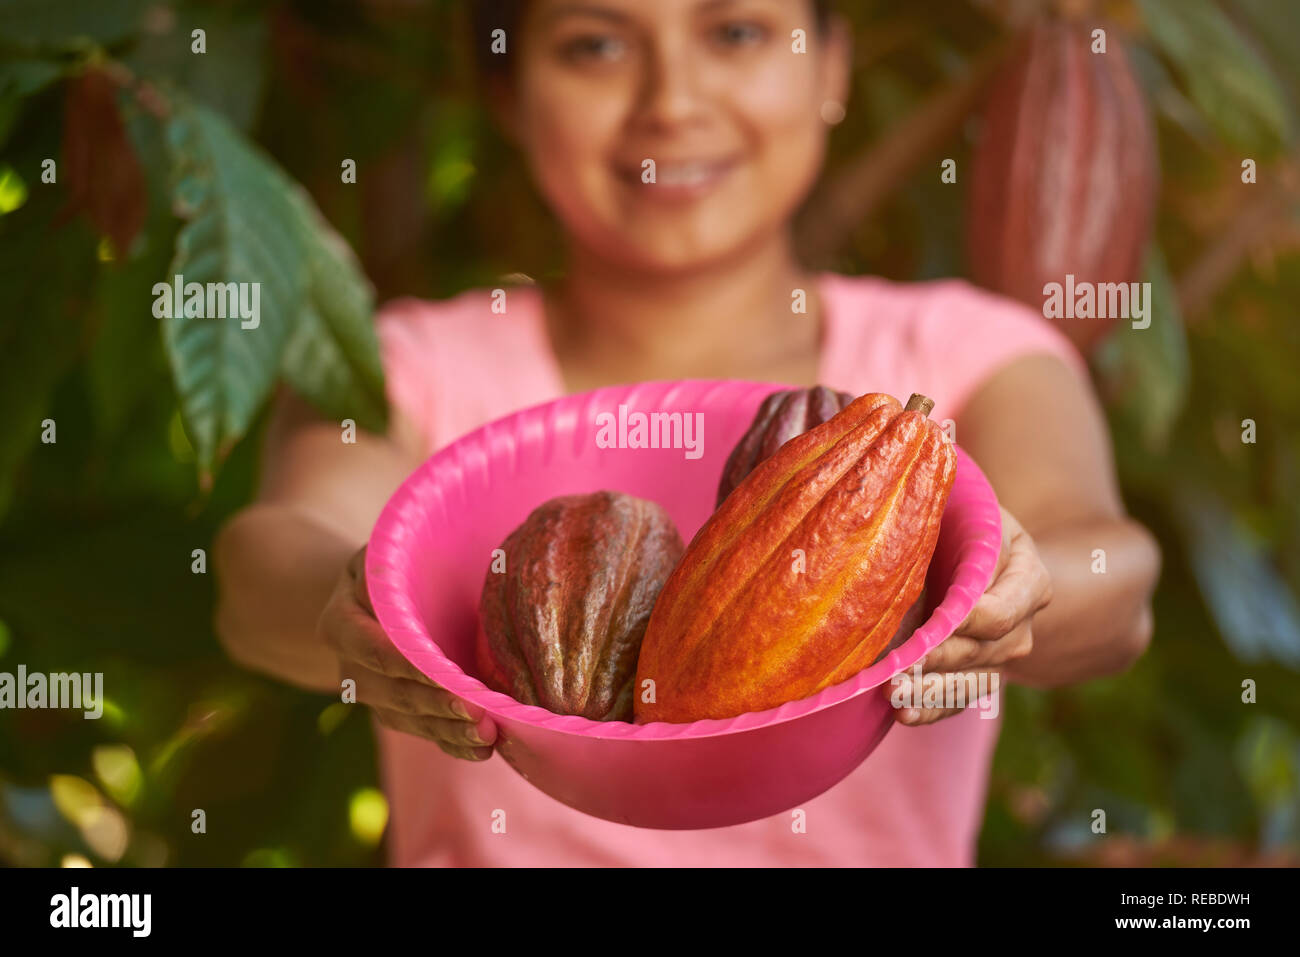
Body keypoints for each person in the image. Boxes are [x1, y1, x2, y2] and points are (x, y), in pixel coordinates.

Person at [214, 0, 1160, 866]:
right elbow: (266, 565)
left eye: (735, 33)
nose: (672, 102)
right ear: (506, 91)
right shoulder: (401, 366)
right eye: (597, 45)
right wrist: (358, 604)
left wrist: (1012, 591)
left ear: (831, 67)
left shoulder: (970, 355)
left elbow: (1113, 579)